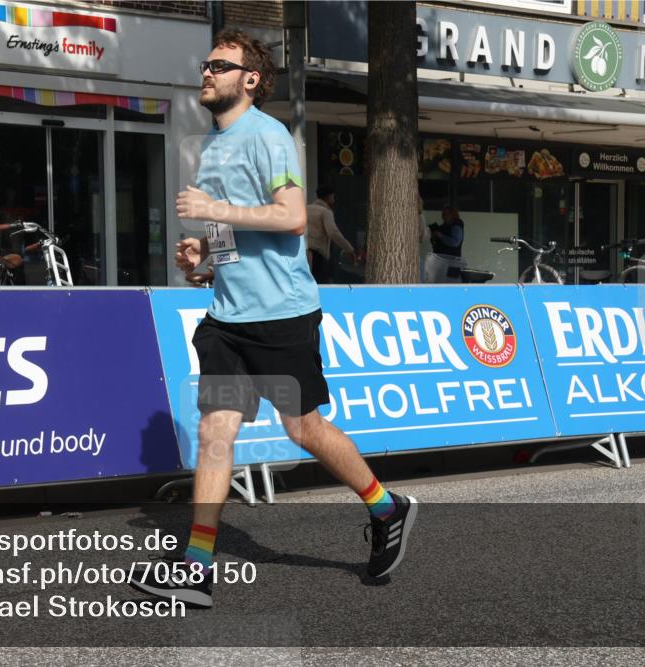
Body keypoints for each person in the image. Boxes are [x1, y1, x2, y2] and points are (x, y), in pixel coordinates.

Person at [129, 28, 417, 609]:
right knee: (216, 430)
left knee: (301, 428)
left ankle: (387, 506)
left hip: (282, 314)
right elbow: (230, 238)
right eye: (205, 64)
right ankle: (197, 565)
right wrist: (204, 258)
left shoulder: (270, 137)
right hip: (227, 317)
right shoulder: (210, 148)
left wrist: (212, 209)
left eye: (219, 65)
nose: (206, 72)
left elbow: (289, 219)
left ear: (250, 79)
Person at [306, 184, 354, 283]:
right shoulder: (325, 212)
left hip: (304, 253)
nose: (334, 200)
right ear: (329, 197)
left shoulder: (306, 209)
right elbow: (333, 232)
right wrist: (349, 249)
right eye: (333, 197)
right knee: (320, 284)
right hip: (318, 255)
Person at [423, 205, 465, 283]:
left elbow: (455, 242)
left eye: (445, 214)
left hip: (450, 263)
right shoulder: (445, 226)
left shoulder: (457, 225)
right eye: (443, 215)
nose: (443, 217)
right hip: (441, 262)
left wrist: (441, 236)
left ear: (452, 215)